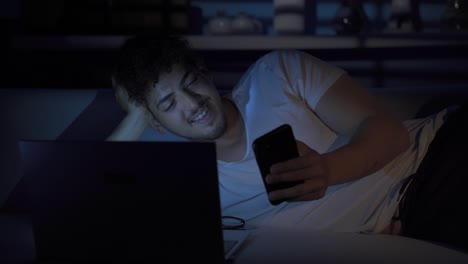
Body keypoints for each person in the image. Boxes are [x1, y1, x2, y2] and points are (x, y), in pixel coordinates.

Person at [107, 34, 468, 251]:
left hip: (438, 156)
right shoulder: (189, 183)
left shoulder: (275, 74)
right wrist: (138, 116)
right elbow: (94, 205)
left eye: (190, 82)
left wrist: (327, 170)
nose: (192, 103)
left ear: (203, 71)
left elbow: (389, 131)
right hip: (413, 215)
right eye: (169, 104)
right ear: (156, 122)